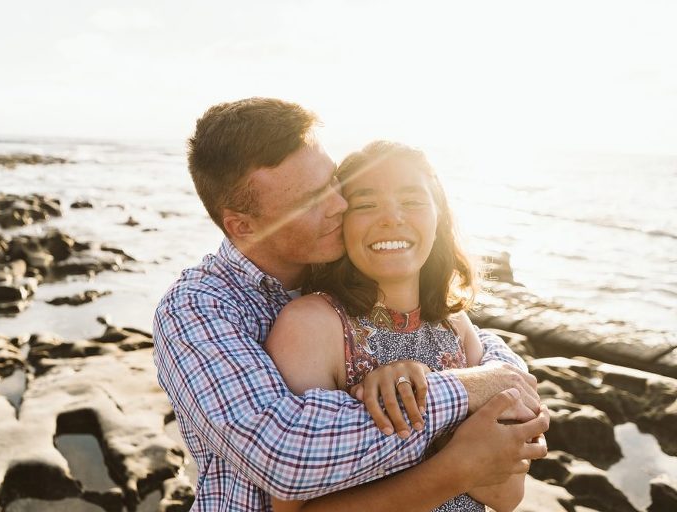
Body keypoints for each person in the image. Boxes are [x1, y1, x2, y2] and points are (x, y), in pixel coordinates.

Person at [153, 97, 549, 511]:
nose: (340, 206)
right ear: (244, 226)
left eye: (333, 183)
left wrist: (503, 378)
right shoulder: (198, 310)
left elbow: (484, 356)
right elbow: (288, 455)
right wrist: (462, 400)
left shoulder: (344, 271)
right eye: (311, 199)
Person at [264, 141, 530, 511]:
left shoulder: (457, 325)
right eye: (366, 205)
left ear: (439, 218)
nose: (391, 218)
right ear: (341, 223)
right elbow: (291, 509)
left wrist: (437, 397)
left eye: (412, 201)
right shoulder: (311, 325)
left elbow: (506, 495)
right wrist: (458, 458)